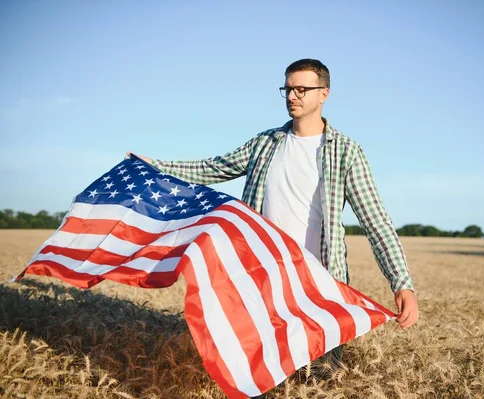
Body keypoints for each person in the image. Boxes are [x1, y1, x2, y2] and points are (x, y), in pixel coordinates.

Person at [127, 58, 418, 379]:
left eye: (302, 89)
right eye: (288, 89)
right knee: (258, 370)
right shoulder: (264, 144)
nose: (293, 96)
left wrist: (402, 283)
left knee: (319, 376)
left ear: (324, 94)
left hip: (320, 283)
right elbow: (212, 168)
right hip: (263, 279)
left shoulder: (346, 151)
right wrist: (155, 165)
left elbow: (375, 221)